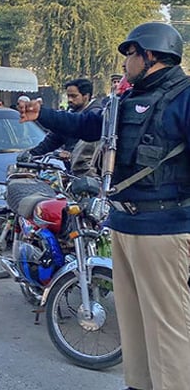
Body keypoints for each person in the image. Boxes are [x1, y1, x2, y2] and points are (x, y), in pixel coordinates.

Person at [19, 22, 190, 390]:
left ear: (151, 55)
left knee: (168, 324)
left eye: (130, 54)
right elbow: (86, 125)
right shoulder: (125, 101)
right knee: (133, 320)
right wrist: (42, 114)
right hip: (124, 224)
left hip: (165, 227)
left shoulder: (185, 97)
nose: (125, 62)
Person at [19, 78, 101, 171]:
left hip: (91, 173)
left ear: (86, 96)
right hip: (72, 171)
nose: (70, 100)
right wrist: (32, 154)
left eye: (74, 96)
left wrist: (68, 153)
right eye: (68, 96)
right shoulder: (71, 113)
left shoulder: (95, 115)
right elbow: (54, 138)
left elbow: (87, 146)